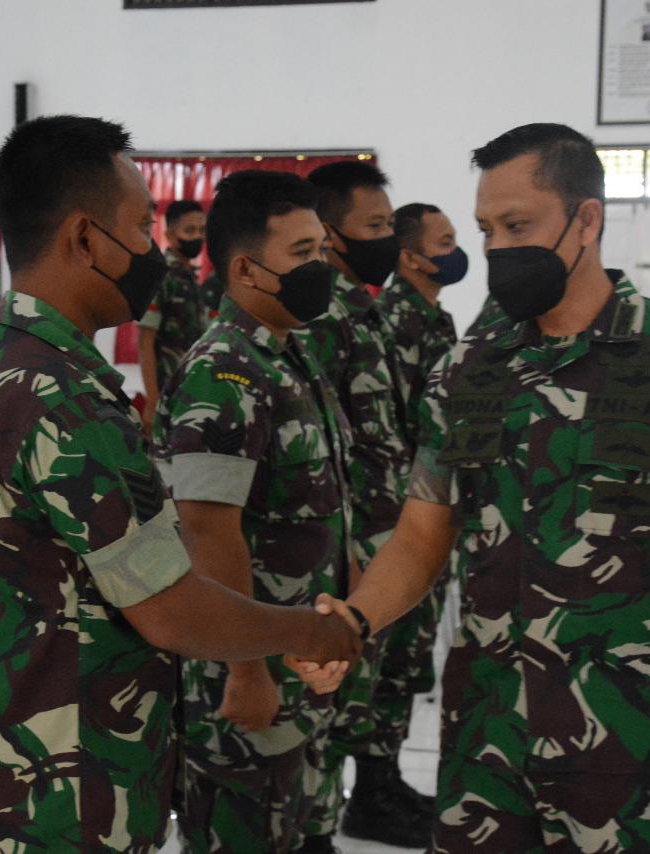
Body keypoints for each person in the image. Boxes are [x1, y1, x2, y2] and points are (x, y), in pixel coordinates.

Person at [303, 123, 650, 854]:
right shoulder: (467, 372)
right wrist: (355, 622)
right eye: (487, 229)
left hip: (625, 746)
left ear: (587, 220)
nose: (496, 249)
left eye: (517, 226)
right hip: (485, 742)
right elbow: (421, 537)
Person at [0, 115, 361, 854]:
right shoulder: (63, 396)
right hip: (51, 795)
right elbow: (171, 611)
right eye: (142, 227)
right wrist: (309, 631)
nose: (153, 249)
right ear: (86, 239)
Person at [152, 170, 352, 854]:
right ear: (244, 268)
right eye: (301, 253)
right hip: (249, 669)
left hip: (300, 657)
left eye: (321, 250)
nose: (320, 268)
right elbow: (208, 530)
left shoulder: (288, 356)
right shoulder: (224, 372)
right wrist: (245, 670)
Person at [295, 161, 426, 849]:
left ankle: (374, 791)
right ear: (330, 233)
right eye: (374, 226)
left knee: (380, 684)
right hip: (353, 545)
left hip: (392, 536)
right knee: (334, 695)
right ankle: (318, 821)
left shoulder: (363, 306)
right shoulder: (322, 315)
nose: (388, 238)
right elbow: (322, 442)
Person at [361, 201, 465, 822]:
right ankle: (371, 790)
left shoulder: (434, 318)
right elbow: (406, 428)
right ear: (411, 257)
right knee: (393, 658)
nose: (456, 251)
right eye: (444, 241)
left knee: (410, 659)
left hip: (430, 506)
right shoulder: (394, 321)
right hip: (403, 516)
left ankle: (385, 778)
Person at [138, 199, 207, 429]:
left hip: (193, 389)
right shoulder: (162, 277)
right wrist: (152, 401)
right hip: (168, 393)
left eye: (202, 230)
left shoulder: (190, 277)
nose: (197, 236)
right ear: (169, 234)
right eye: (189, 230)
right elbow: (145, 341)